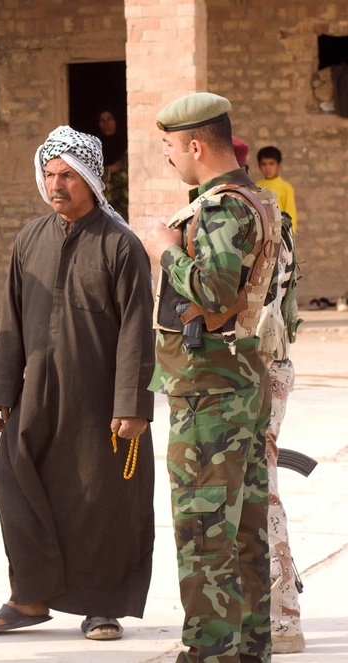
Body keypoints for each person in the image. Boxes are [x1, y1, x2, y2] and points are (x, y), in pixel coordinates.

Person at [0, 125, 155, 642]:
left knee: (98, 499)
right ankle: (29, 597)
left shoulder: (121, 245)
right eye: (49, 174)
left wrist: (132, 403)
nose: (56, 184)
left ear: (92, 180)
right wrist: (2, 387)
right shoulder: (29, 239)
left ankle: (100, 605)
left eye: (67, 175)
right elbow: (12, 319)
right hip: (37, 394)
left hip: (100, 400)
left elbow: (138, 328)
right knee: (14, 484)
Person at [144, 93, 281, 663]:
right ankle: (249, 648)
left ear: (196, 145)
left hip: (212, 392)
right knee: (244, 530)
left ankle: (209, 652)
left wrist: (167, 252)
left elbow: (217, 292)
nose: (171, 159)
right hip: (242, 382)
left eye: (173, 148)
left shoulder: (223, 209)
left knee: (205, 535)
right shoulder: (259, 200)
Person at [241, 141, 306, 655]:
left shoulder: (245, 214)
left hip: (258, 367)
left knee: (260, 494)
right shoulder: (269, 210)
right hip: (272, 362)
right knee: (260, 491)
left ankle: (282, 614)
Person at [256, 146, 298, 234]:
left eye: (271, 164)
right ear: (259, 166)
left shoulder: (286, 187)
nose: (267, 168)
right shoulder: (255, 187)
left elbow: (291, 214)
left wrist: (289, 235)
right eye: (264, 164)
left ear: (279, 166)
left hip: (280, 234)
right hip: (261, 234)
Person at [97, 109, 129, 221]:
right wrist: (109, 170)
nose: (106, 124)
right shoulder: (94, 149)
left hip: (125, 206)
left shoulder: (127, 145)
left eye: (109, 119)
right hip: (103, 209)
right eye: (102, 120)